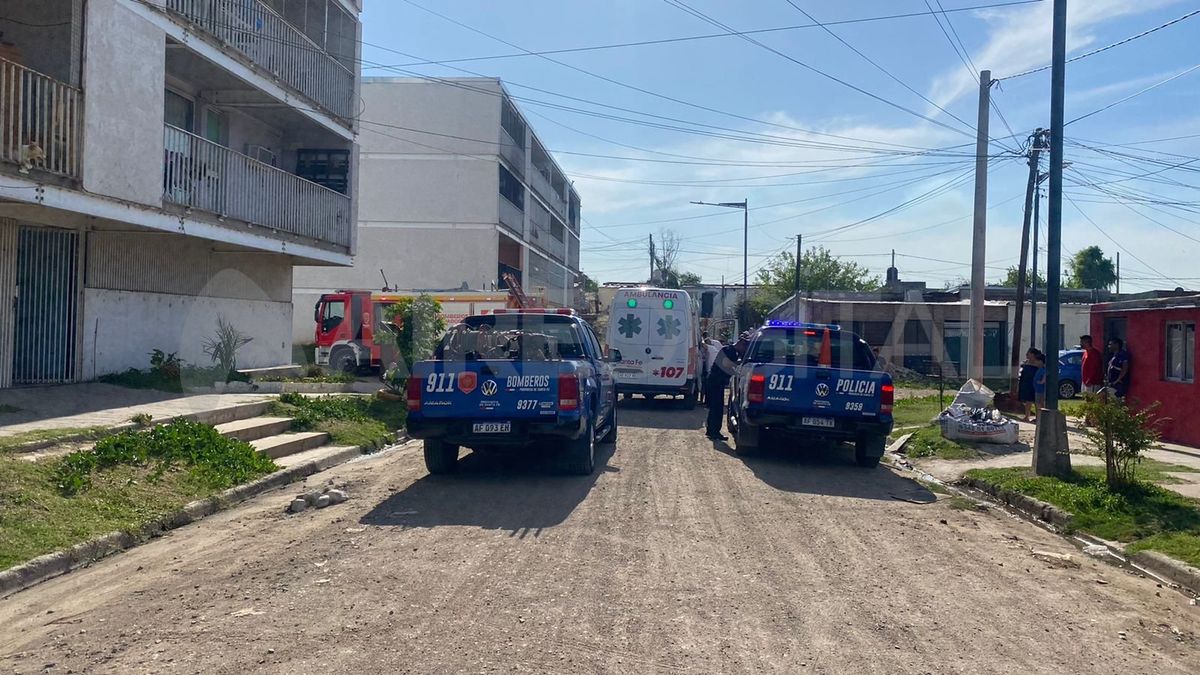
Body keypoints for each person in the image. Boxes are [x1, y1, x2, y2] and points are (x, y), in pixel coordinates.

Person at [705, 332, 749, 441]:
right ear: (741, 344)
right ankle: (714, 432)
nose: (744, 351)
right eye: (745, 347)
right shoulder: (729, 351)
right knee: (717, 408)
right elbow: (728, 365)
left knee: (715, 408)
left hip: (715, 382)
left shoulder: (730, 351)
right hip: (715, 382)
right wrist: (739, 369)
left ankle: (711, 431)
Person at [1018, 348, 1041, 422]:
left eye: (1028, 353)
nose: (1026, 354)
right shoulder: (1026, 362)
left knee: (1036, 401)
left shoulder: (1038, 363)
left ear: (1033, 354)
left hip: (1035, 384)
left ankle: (1038, 418)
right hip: (1026, 383)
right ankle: (1026, 416)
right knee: (1028, 401)